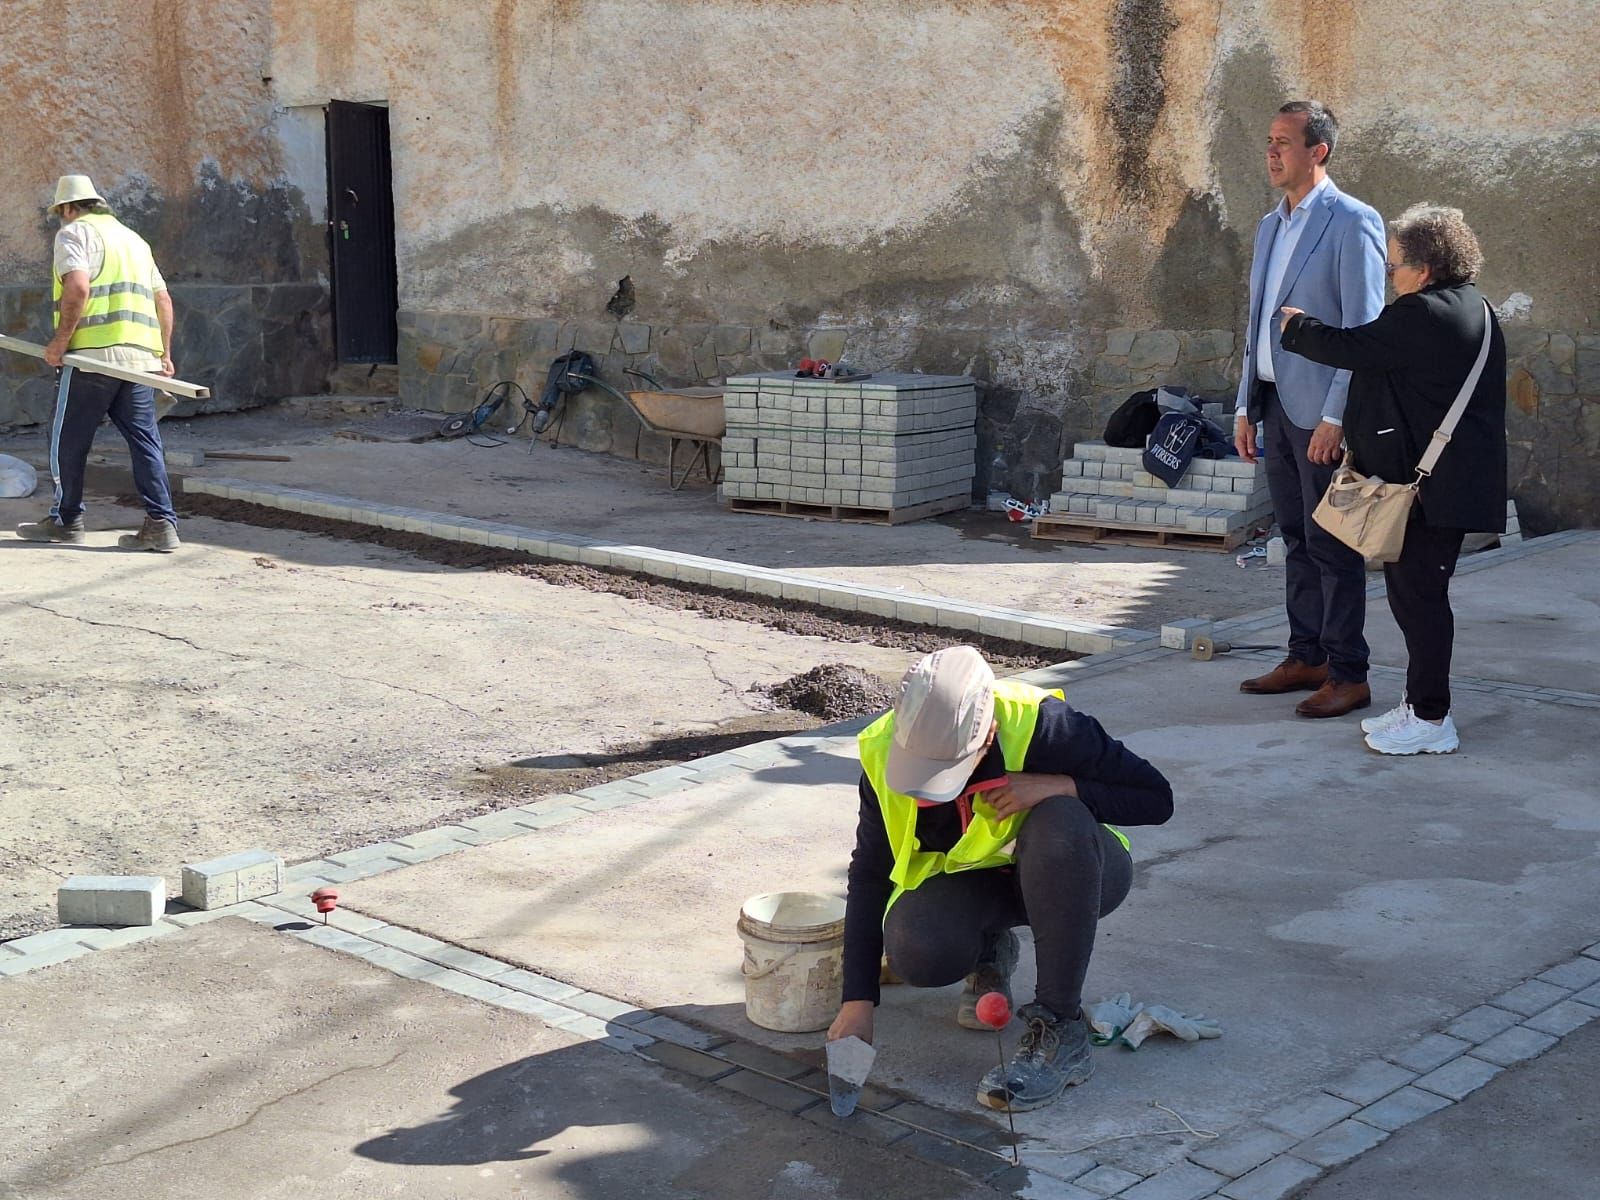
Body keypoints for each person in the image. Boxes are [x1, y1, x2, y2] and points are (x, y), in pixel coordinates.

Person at [826, 646, 1172, 1113]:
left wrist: (1063, 787)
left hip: (1074, 873)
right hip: (978, 888)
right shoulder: (884, 751)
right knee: (917, 951)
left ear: (987, 735)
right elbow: (869, 872)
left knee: (1061, 820)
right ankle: (990, 950)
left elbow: (1156, 799)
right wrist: (858, 999)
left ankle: (1060, 1028)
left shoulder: (1047, 727)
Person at [1277, 204, 1507, 755]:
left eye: (1395, 266)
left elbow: (1353, 348)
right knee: (1414, 597)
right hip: (1448, 483)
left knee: (1420, 601)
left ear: (1423, 271)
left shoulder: (1421, 314)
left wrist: (1296, 326)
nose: (1389, 277)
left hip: (1434, 490)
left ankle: (1432, 718)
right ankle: (1419, 703)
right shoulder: (1475, 307)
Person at [1234, 101, 1386, 718]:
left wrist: (1336, 417)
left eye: (1283, 142)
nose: (1270, 153)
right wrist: (1245, 404)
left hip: (1319, 412)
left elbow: (1365, 327)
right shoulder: (1270, 226)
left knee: (1333, 545)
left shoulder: (1353, 222)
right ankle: (1308, 656)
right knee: (1294, 537)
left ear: (1318, 150)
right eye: (1268, 140)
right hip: (1273, 402)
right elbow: (1253, 325)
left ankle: (1350, 673)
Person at [15, 174, 181, 552]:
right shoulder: (135, 241)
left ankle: (66, 520)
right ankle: (161, 523)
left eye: (61, 212)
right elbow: (164, 300)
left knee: (67, 440)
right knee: (145, 441)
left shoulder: (74, 234)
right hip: (139, 359)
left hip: (92, 358)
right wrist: (163, 354)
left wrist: (60, 342)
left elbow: (77, 287)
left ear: (68, 208)